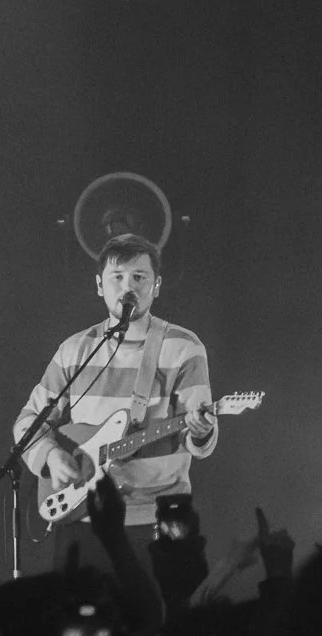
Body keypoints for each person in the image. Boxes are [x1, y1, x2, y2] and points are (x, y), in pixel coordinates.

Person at [12, 233, 217, 559]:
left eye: (139, 277)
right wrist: (50, 456)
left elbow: (199, 439)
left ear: (156, 286)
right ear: (99, 285)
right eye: (117, 277)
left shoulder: (183, 347)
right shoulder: (74, 350)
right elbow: (28, 421)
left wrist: (201, 431)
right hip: (85, 515)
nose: (127, 287)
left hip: (160, 516)